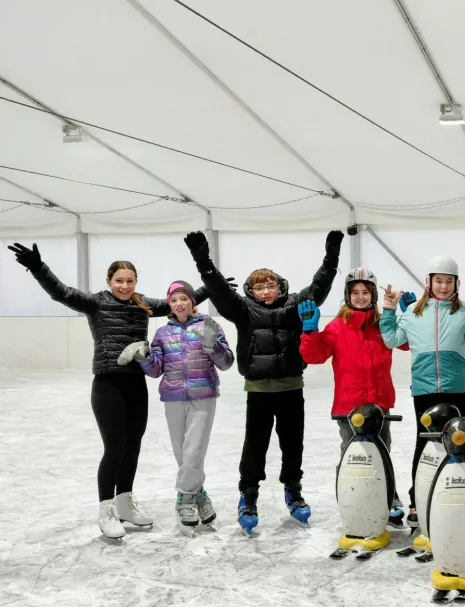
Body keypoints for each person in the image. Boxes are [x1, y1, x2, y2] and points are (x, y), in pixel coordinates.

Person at [7, 242, 207, 539]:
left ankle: (125, 502)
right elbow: (61, 293)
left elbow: (179, 302)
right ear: (108, 281)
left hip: (135, 383)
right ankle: (106, 509)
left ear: (136, 282)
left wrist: (210, 286)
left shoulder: (142, 304)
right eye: (119, 281)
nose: (125, 286)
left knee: (133, 446)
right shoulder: (96, 302)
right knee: (114, 448)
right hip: (107, 384)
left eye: (130, 280)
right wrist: (38, 267)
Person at [183, 229, 343, 534]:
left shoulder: (295, 305)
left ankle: (293, 490)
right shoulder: (244, 310)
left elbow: (320, 286)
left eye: (270, 285)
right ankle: (249, 494)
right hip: (258, 390)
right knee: (255, 445)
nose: (266, 291)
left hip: (291, 387)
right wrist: (202, 261)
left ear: (280, 287)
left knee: (292, 442)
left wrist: (331, 257)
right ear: (251, 292)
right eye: (259, 288)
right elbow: (218, 290)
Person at [379, 256, 465, 530]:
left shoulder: (463, 311)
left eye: (448, 281)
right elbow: (392, 339)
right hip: (425, 388)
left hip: (457, 386)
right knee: (425, 441)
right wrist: (389, 310)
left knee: (458, 441)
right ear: (428, 282)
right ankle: (418, 499)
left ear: (456, 284)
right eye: (438, 280)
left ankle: (456, 493)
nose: (443, 286)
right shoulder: (414, 312)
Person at [298, 267, 413, 526]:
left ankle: (390, 498)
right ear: (347, 296)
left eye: (365, 292)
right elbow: (313, 356)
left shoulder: (383, 324)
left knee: (383, 453)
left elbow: (407, 342)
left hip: (379, 404)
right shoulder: (337, 327)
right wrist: (309, 331)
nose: (360, 297)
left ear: (373, 295)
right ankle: (350, 496)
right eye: (355, 292)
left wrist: (410, 315)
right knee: (351, 455)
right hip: (349, 406)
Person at [133, 281, 234, 527]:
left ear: (192, 301)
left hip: (204, 396)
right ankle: (199, 494)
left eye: (184, 299)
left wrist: (213, 346)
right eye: (174, 300)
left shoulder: (209, 326)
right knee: (182, 453)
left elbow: (227, 362)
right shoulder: (162, 333)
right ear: (170, 303)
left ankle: (184, 499)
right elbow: (156, 370)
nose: (179, 304)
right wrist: (144, 358)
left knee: (194, 451)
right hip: (173, 397)